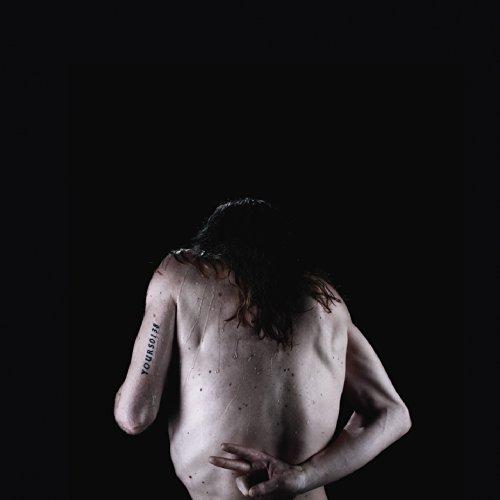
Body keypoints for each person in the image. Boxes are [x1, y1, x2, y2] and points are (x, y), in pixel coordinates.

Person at [114, 198, 411, 499]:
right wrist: (302, 477)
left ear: (211, 246)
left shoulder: (179, 273)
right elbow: (392, 412)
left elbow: (134, 416)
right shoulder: (327, 304)